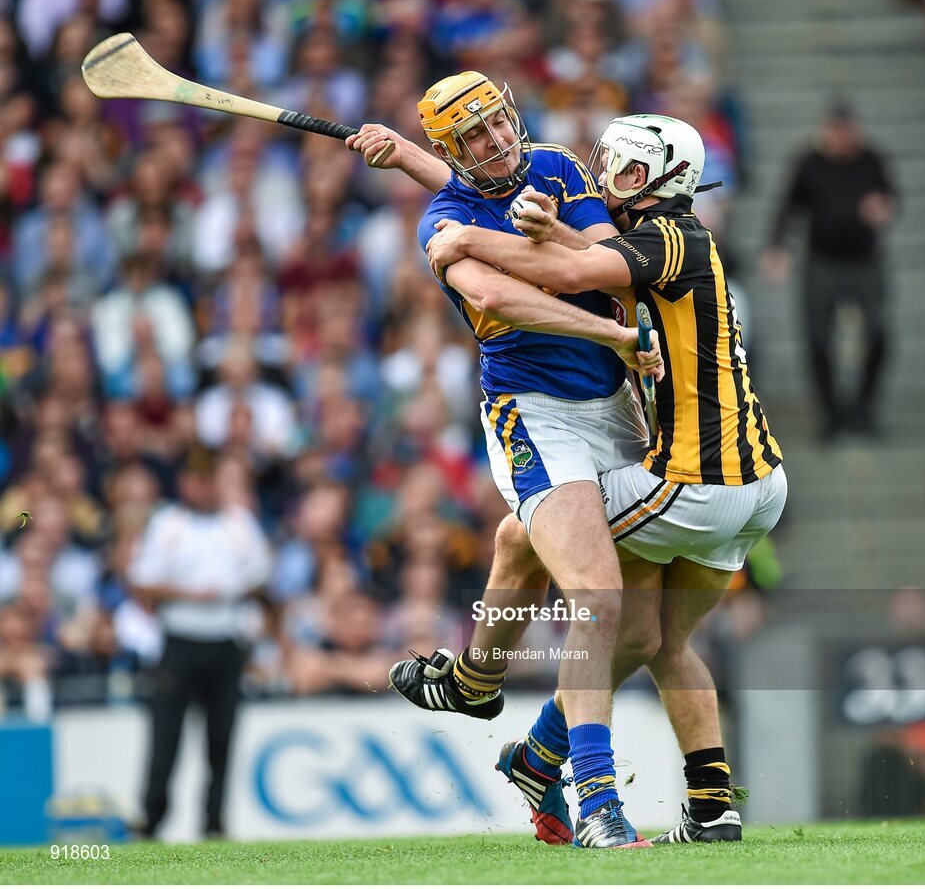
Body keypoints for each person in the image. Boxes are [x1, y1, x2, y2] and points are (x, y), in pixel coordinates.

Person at [426, 113, 787, 845]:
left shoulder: (664, 238)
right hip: (761, 487)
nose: (603, 179)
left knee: (553, 553)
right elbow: (574, 241)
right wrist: (413, 158)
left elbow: (565, 273)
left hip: (692, 484)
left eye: (622, 169)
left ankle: (565, 770)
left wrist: (463, 240)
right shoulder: (671, 240)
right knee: (657, 640)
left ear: (659, 180)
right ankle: (711, 806)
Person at [349, 72, 662, 848]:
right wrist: (618, 338)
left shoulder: (554, 165)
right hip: (534, 417)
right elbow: (503, 300)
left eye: (498, 123)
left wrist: (550, 233)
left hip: (616, 410)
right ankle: (597, 804)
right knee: (597, 596)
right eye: (473, 138)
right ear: (450, 152)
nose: (496, 143)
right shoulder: (440, 226)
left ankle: (481, 688)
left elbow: (607, 254)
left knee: (636, 625)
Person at [129, 446, 273, 840]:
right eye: (197, 478)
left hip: (226, 640)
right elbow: (143, 580)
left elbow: (262, 573)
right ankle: (152, 817)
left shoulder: (238, 524)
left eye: (210, 479)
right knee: (166, 736)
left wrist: (233, 591)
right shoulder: (167, 524)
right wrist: (194, 595)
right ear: (185, 483)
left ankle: (214, 820)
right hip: (181, 638)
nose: (204, 487)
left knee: (221, 737)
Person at [761, 100, 898, 441]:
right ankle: (831, 412)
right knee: (818, 337)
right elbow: (787, 206)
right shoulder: (809, 163)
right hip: (822, 261)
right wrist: (777, 246)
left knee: (879, 333)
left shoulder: (871, 159)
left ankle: (863, 407)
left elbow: (891, 197)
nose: (841, 140)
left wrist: (882, 208)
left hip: (865, 260)